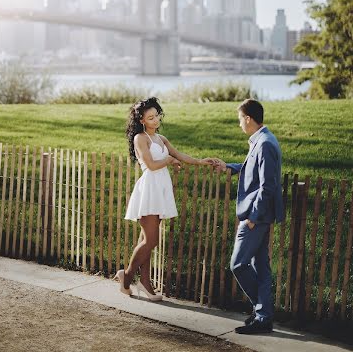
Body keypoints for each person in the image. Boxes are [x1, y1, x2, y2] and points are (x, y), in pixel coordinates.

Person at [114, 97, 217, 301]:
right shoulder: (140, 138)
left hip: (161, 189)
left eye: (156, 115)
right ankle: (125, 277)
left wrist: (201, 162)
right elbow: (151, 165)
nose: (155, 120)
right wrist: (168, 160)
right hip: (149, 189)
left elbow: (179, 155)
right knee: (151, 240)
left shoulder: (161, 139)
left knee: (146, 241)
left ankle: (144, 281)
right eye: (150, 118)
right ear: (142, 120)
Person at [216, 99, 284, 334]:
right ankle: (263, 316)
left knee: (238, 264)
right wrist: (230, 167)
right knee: (261, 266)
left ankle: (262, 312)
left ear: (248, 118)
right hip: (261, 216)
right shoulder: (262, 140)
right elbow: (253, 171)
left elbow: (267, 187)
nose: (239, 125)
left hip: (256, 217)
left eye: (239, 120)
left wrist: (253, 217)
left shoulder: (264, 143)